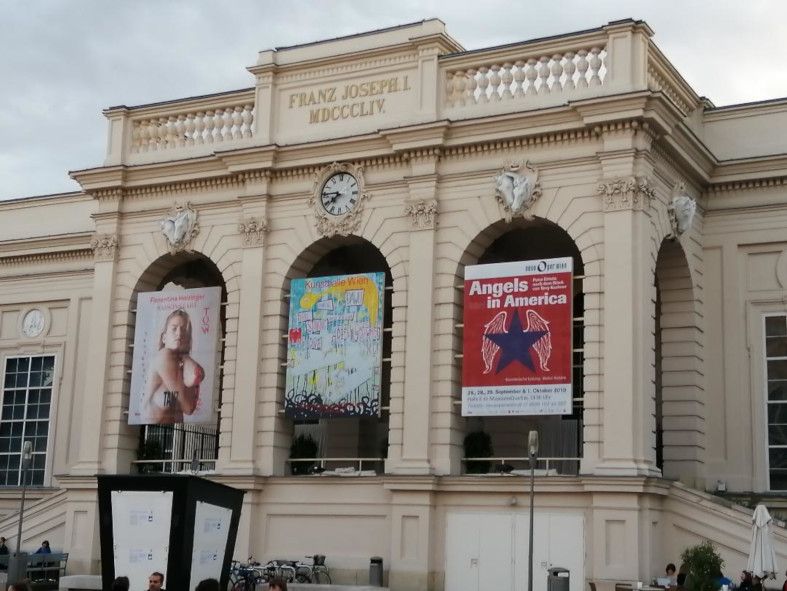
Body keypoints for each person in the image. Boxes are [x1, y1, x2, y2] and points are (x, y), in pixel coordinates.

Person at [143, 309, 205, 424]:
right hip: (152, 431)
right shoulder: (164, 355)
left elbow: (190, 408)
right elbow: (187, 405)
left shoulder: (180, 363)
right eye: (174, 328)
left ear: (189, 339)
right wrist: (185, 356)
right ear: (164, 337)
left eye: (184, 330)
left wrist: (185, 356)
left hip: (170, 432)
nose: (179, 334)